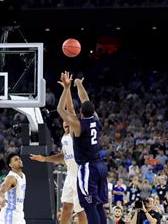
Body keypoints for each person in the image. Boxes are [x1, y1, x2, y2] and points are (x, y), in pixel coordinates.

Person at [30, 73, 86, 224]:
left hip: (80, 176)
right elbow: (63, 156)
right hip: (70, 175)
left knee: (81, 211)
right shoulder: (65, 138)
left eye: (68, 122)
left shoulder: (75, 134)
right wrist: (45, 159)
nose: (66, 123)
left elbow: (71, 110)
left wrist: (67, 89)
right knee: (66, 207)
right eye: (64, 122)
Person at [56, 71, 108, 224]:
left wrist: (66, 88)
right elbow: (85, 99)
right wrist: (79, 84)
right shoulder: (96, 120)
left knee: (89, 205)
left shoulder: (78, 126)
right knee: (98, 204)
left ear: (81, 112)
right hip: (100, 166)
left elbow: (61, 110)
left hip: (88, 168)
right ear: (93, 111)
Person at [0, 154, 26, 224]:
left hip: (19, 214)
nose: (19, 160)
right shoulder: (11, 178)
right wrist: (1, 199)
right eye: (16, 160)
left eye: (19, 159)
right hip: (10, 214)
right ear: (10, 165)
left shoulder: (23, 175)